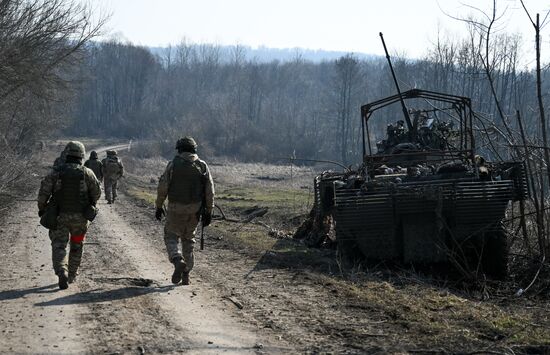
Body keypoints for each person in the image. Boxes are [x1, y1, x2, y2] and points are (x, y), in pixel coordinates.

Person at [38, 141, 101, 289]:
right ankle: (72, 274)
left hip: (59, 217)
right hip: (80, 220)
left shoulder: (56, 172)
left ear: (67, 153)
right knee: (77, 245)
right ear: (81, 155)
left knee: (59, 245)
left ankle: (62, 271)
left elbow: (44, 192)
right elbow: (97, 193)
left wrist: (42, 208)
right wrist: (90, 203)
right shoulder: (87, 173)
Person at [155, 137, 214, 285]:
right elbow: (210, 190)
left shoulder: (173, 164)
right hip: (195, 210)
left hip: (175, 208)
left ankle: (177, 259)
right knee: (189, 240)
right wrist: (209, 211)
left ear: (179, 149)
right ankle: (186, 273)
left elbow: (163, 187)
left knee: (171, 236)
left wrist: (158, 206)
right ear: (194, 149)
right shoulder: (202, 165)